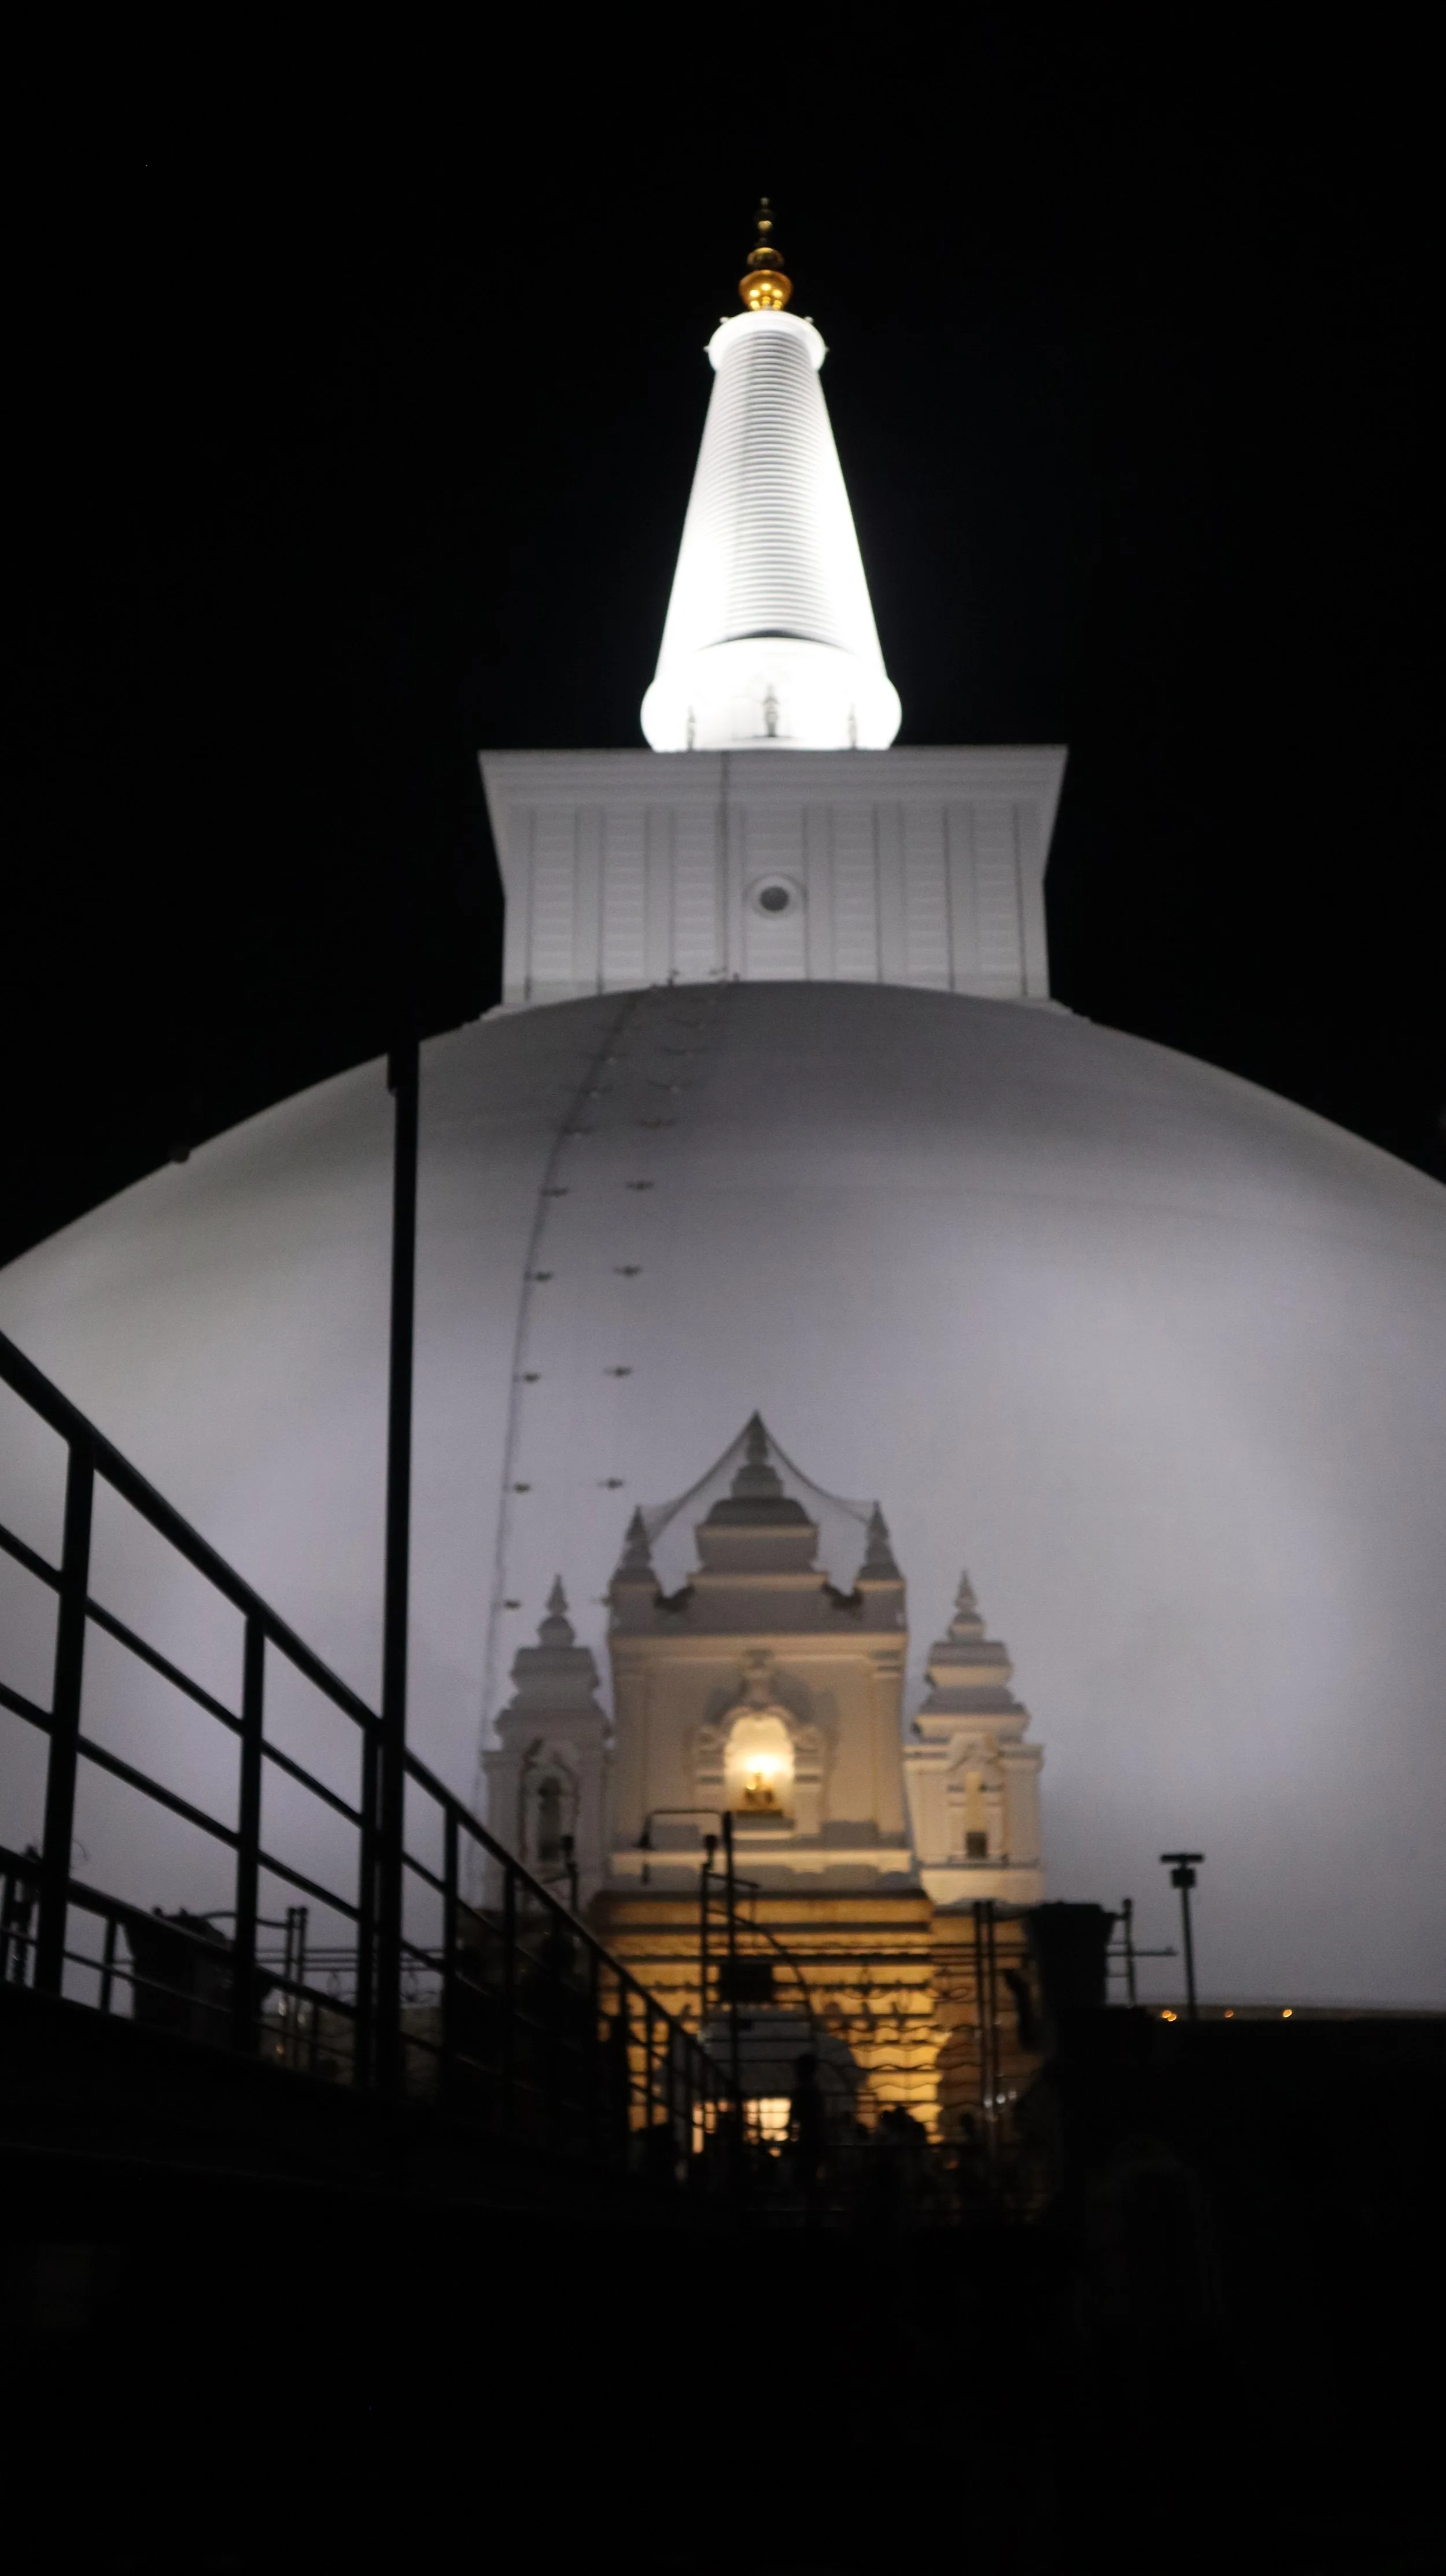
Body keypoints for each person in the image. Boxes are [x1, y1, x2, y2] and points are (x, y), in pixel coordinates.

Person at [787, 2051, 829, 2217]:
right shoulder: (817, 2093)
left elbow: (793, 2119)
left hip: (806, 2141)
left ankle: (807, 2216)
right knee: (812, 2182)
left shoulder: (800, 2092)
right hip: (816, 2140)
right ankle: (815, 2216)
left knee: (803, 2182)